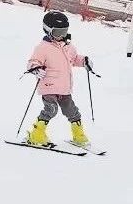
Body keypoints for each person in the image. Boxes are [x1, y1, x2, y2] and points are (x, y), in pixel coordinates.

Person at [25, 11, 94, 148]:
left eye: (64, 31)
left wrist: (84, 61)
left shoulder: (69, 47)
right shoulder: (42, 48)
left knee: (72, 111)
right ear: (48, 30)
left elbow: (74, 59)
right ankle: (36, 134)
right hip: (49, 85)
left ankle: (78, 135)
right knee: (51, 109)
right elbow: (32, 62)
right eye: (58, 32)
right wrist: (36, 69)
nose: (62, 35)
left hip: (64, 87)